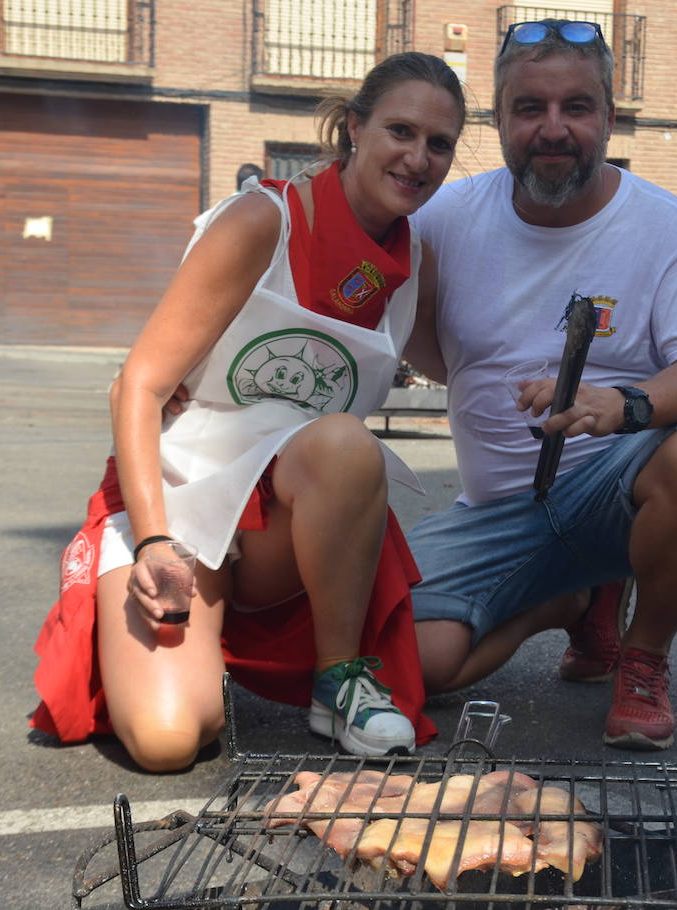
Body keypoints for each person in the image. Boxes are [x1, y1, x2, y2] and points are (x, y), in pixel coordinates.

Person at [29, 52, 466, 771]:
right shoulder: (263, 219)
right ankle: (166, 643)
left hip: (283, 520)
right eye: (400, 130)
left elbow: (466, 368)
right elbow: (135, 386)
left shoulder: (414, 255)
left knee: (345, 444)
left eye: (439, 144)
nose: (419, 158)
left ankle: (338, 682)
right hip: (179, 499)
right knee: (168, 741)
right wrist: (150, 543)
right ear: (353, 128)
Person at [401, 20, 677, 751]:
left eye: (576, 107)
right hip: (497, 513)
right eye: (529, 108)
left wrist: (621, 405)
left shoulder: (662, 225)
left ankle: (643, 655)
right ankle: (568, 601)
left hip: (613, 493)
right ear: (497, 120)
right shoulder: (443, 221)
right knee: (406, 667)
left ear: (609, 118)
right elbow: (428, 351)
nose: (553, 129)